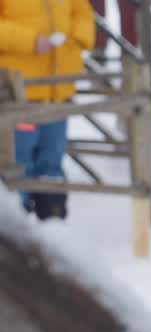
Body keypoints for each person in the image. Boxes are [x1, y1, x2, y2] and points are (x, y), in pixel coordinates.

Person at [0, 0, 95, 220]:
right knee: (18, 162)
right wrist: (31, 41)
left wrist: (78, 38)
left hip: (58, 92)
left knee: (52, 159)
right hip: (19, 96)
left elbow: (82, 12)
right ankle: (17, 228)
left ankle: (53, 223)